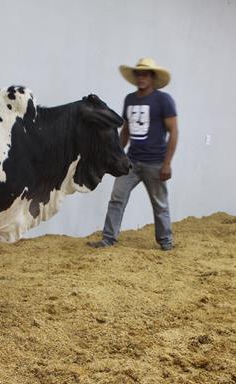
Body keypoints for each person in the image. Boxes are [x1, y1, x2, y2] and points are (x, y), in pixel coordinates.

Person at [88, 58, 178, 251]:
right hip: (131, 162)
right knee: (117, 199)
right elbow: (126, 130)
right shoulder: (130, 99)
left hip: (155, 162)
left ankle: (166, 242)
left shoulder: (164, 100)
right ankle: (108, 239)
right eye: (138, 74)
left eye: (145, 74)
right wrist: (117, 155)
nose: (141, 77)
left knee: (159, 203)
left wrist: (167, 163)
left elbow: (174, 131)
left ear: (152, 77)